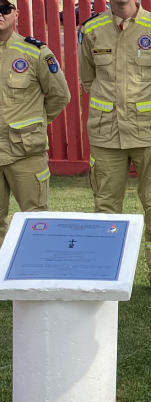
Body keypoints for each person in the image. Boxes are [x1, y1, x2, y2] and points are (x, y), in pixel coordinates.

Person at [78, 0, 151, 299]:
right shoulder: (91, 29)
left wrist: (145, 106)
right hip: (106, 134)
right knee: (106, 208)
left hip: (150, 132)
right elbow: (88, 80)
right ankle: (104, 275)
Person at [0, 0, 69, 245]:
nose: (0, 14)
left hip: (25, 151)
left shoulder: (35, 52)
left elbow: (60, 95)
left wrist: (34, 124)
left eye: (4, 9)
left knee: (35, 221)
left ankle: (34, 278)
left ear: (15, 13)